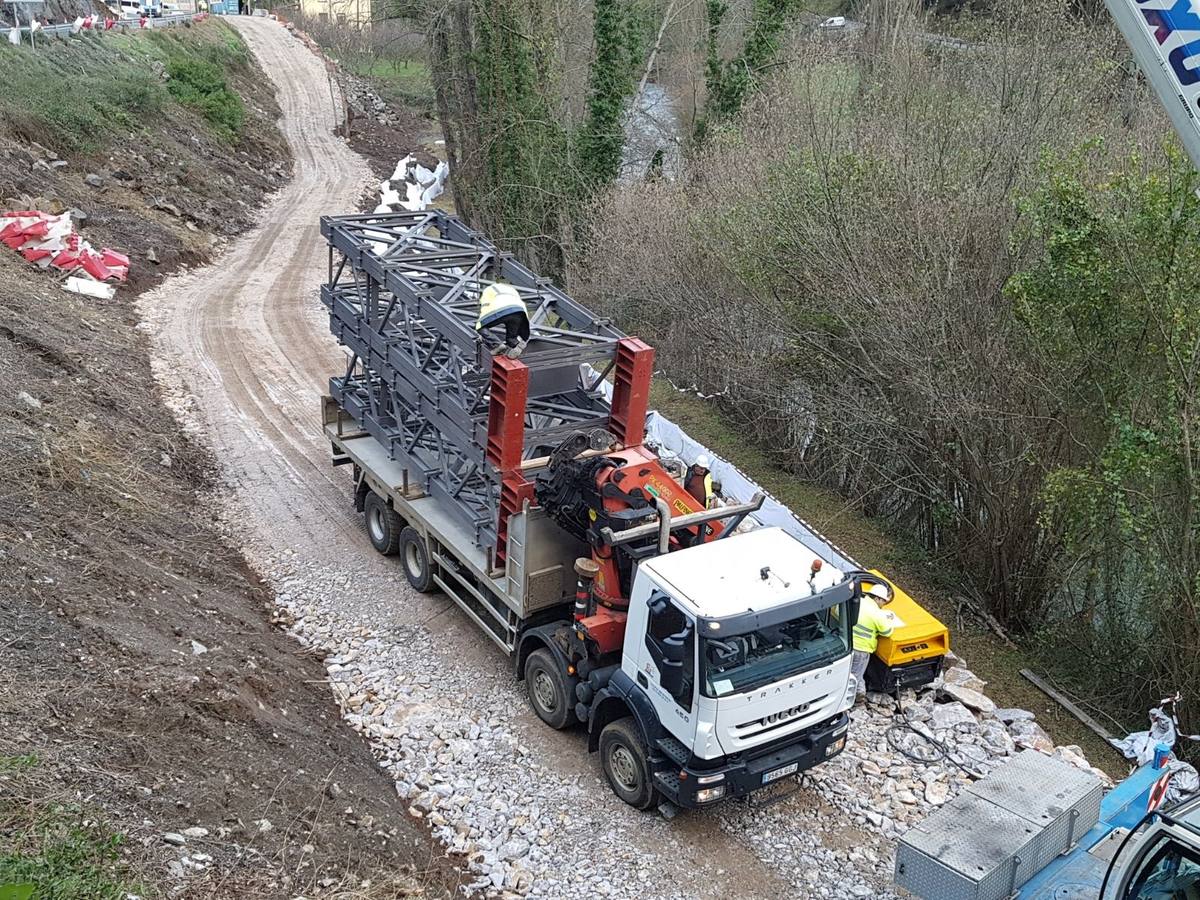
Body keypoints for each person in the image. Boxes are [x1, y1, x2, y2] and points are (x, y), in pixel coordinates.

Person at [475, 261, 530, 358]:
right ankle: (517, 344)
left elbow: (485, 307)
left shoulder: (488, 290)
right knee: (511, 338)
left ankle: (497, 344)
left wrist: (481, 323)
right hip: (519, 312)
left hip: (501, 310)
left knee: (480, 327)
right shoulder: (511, 290)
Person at [851, 583, 894, 700]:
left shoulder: (857, 601)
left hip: (847, 646)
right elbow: (887, 632)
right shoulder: (877, 614)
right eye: (883, 601)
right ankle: (854, 698)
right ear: (877, 598)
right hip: (862, 649)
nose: (883, 604)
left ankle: (858, 694)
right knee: (855, 676)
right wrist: (889, 619)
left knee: (850, 673)